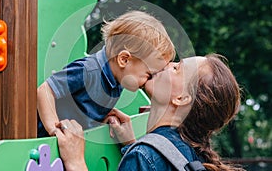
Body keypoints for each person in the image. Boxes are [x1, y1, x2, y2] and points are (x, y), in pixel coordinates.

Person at [55, 54, 245, 171]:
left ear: (181, 98)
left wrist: (76, 162)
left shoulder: (144, 156)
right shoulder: (193, 158)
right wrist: (131, 145)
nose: (168, 63)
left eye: (177, 68)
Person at [37, 10, 175, 137]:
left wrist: (101, 119)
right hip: (42, 140)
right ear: (124, 59)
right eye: (149, 74)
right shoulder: (87, 71)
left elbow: (84, 107)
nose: (149, 81)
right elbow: (45, 90)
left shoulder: (117, 81)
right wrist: (54, 129)